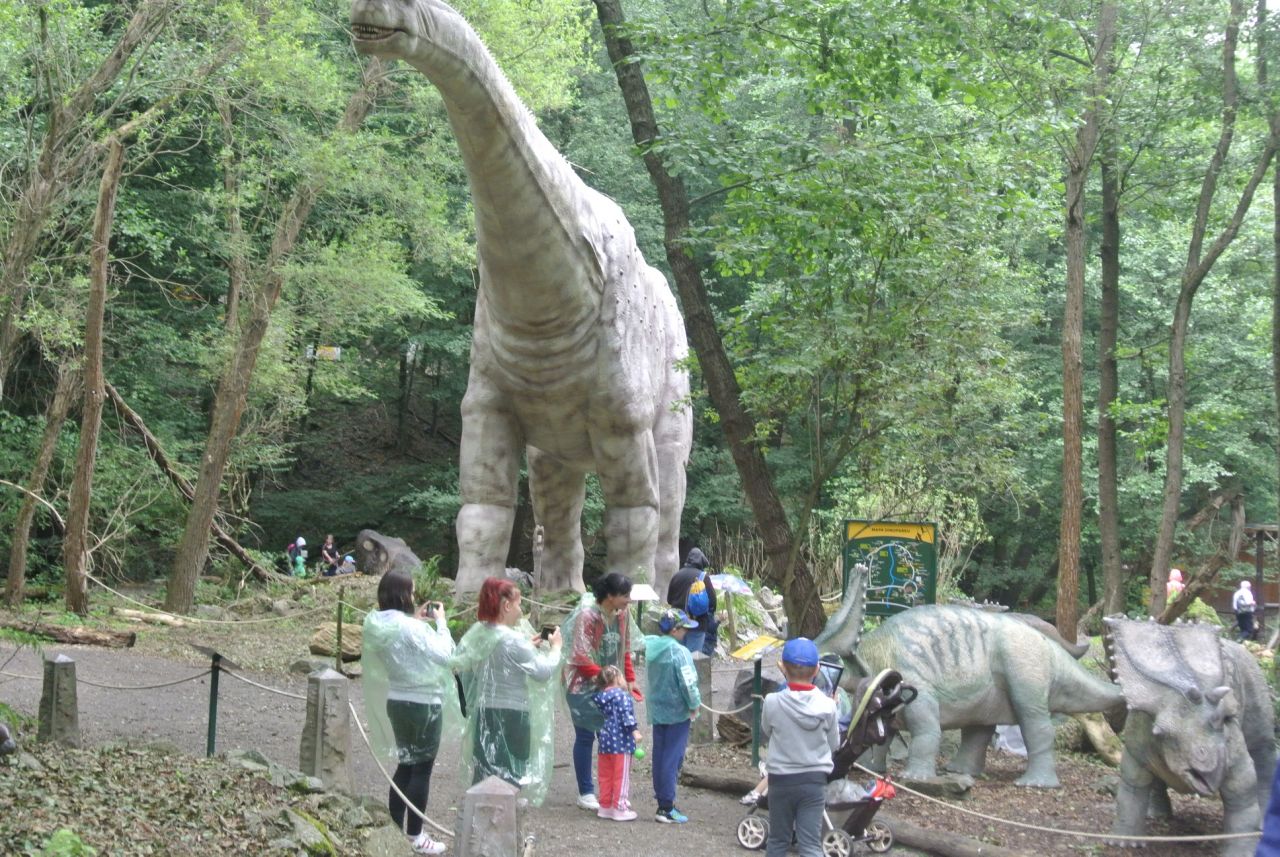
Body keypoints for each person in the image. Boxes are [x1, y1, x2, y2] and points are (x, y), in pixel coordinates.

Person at [361, 571, 459, 856]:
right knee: (421, 769)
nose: (414, 597)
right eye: (412, 592)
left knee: (405, 764)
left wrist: (415, 621)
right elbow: (445, 655)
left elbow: (402, 641)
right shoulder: (411, 628)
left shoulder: (377, 623)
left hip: (397, 700)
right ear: (403, 595)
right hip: (423, 703)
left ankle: (394, 828)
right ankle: (416, 835)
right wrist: (441, 624)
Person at [449, 577, 561, 805]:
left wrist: (527, 648)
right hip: (512, 714)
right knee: (512, 770)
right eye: (519, 603)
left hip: (484, 711)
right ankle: (506, 817)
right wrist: (556, 649)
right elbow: (542, 672)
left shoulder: (479, 632)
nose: (521, 609)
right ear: (507, 605)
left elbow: (472, 661)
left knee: (485, 768)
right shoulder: (513, 640)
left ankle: (481, 814)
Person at [562, 572, 641, 811]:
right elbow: (580, 656)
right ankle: (586, 791)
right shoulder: (588, 616)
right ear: (610, 596)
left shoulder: (622, 615)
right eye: (625, 595)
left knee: (612, 738)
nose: (629, 600)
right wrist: (609, 679)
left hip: (611, 685)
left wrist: (630, 678)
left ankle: (611, 792)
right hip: (584, 686)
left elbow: (624, 648)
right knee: (586, 736)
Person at [760, 637, 840, 857]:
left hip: (780, 780)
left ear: (783, 667)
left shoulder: (772, 701)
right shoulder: (828, 706)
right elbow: (834, 743)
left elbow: (766, 730)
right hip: (813, 781)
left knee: (778, 840)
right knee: (810, 845)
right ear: (817, 669)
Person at [645, 607, 701, 824]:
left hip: (658, 710)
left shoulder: (653, 647)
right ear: (675, 630)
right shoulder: (680, 652)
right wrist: (694, 704)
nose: (686, 632)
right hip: (678, 712)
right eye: (684, 628)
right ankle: (667, 806)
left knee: (660, 755)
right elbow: (688, 683)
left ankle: (662, 800)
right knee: (673, 757)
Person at [592, 665, 642, 821]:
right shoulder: (622, 696)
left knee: (605, 775)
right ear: (617, 679)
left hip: (605, 742)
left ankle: (605, 806)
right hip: (621, 743)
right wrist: (634, 731)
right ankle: (620, 808)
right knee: (621, 776)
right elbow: (626, 714)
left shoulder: (600, 697)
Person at [666, 548, 716, 655]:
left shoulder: (677, 575)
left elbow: (669, 600)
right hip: (698, 624)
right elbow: (712, 603)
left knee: (678, 656)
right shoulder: (703, 577)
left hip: (678, 624)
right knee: (693, 658)